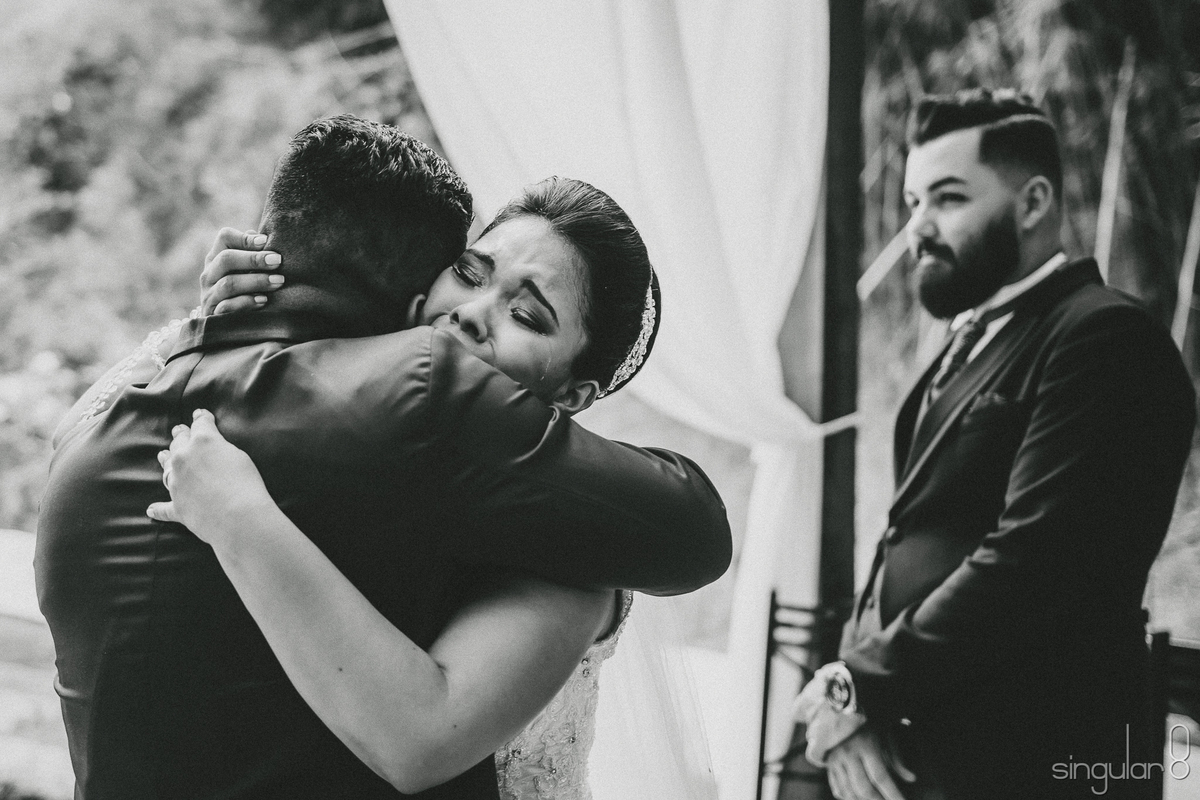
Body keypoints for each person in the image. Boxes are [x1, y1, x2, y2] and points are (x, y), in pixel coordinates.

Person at [37, 115, 730, 800]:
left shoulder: (574, 548)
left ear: (574, 392)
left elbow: (421, 739)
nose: (470, 313)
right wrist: (252, 311)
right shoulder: (365, 424)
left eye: (527, 315)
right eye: (468, 271)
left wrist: (244, 520)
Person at [794, 89, 1196, 800]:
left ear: (1033, 202)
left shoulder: (1104, 339)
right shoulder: (971, 340)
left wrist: (861, 684)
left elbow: (1038, 560)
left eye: (947, 199)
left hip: (1029, 760)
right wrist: (858, 700)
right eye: (914, 201)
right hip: (914, 743)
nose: (917, 228)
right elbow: (906, 537)